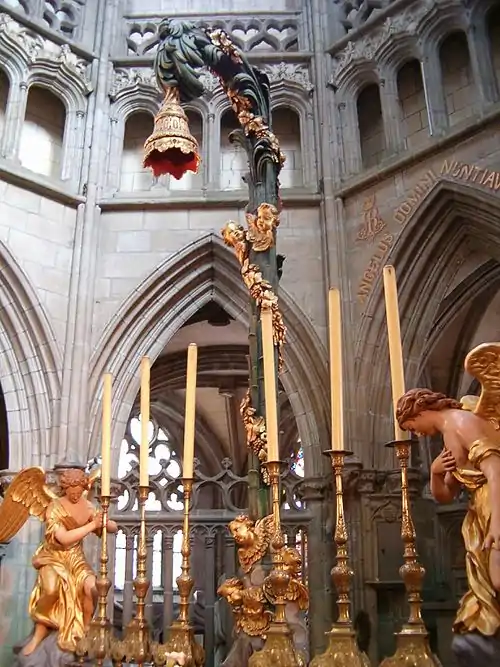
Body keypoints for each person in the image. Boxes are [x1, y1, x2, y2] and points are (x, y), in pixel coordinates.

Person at [396, 388, 500, 636]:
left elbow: (496, 471)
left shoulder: (462, 422)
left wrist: (497, 523)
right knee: (490, 585)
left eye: (412, 427)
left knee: (497, 579)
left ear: (420, 411)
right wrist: (435, 472)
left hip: (495, 503)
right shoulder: (448, 434)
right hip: (480, 510)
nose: (417, 433)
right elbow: (446, 495)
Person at [0, 466, 117, 656]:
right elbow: (63, 539)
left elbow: (112, 527)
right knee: (51, 590)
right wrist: (92, 525)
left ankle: (85, 632)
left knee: (93, 588)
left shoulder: (88, 507)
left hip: (75, 558)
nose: (75, 496)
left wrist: (105, 521)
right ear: (65, 489)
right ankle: (39, 635)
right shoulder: (55, 507)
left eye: (78, 492)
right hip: (53, 557)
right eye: (72, 492)